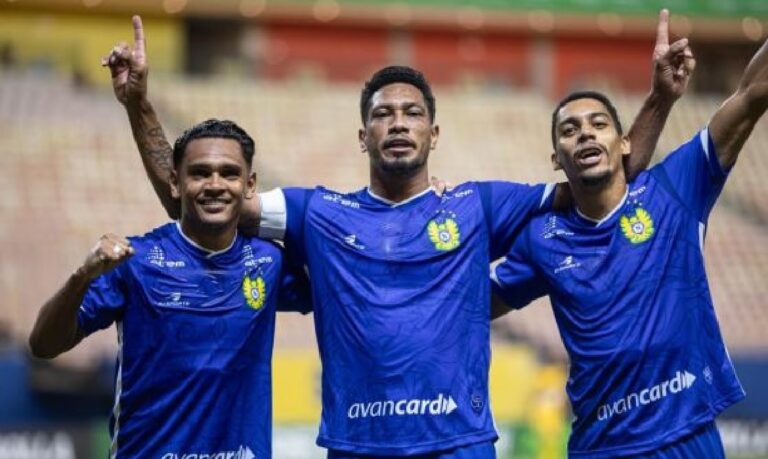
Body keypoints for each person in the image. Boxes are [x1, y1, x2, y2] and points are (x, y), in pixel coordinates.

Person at [103, 11, 690, 457]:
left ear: (434, 134)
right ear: (364, 138)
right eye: (383, 114)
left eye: (412, 113)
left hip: (459, 443)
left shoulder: (480, 205)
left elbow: (603, 177)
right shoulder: (318, 213)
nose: (399, 123)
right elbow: (200, 206)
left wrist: (661, 98)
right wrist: (139, 107)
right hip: (359, 445)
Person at [491, 31, 768, 459]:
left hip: (685, 437)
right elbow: (474, 303)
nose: (585, 134)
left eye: (598, 124)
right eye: (570, 130)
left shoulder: (675, 190)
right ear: (556, 159)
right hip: (600, 447)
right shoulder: (541, 240)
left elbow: (751, 95)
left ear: (623, 143)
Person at [28, 120, 310, 458]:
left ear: (249, 185)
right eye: (200, 173)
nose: (215, 184)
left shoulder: (269, 261)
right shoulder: (136, 261)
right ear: (175, 183)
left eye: (229, 173)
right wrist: (81, 277)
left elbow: (344, 287)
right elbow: (43, 344)